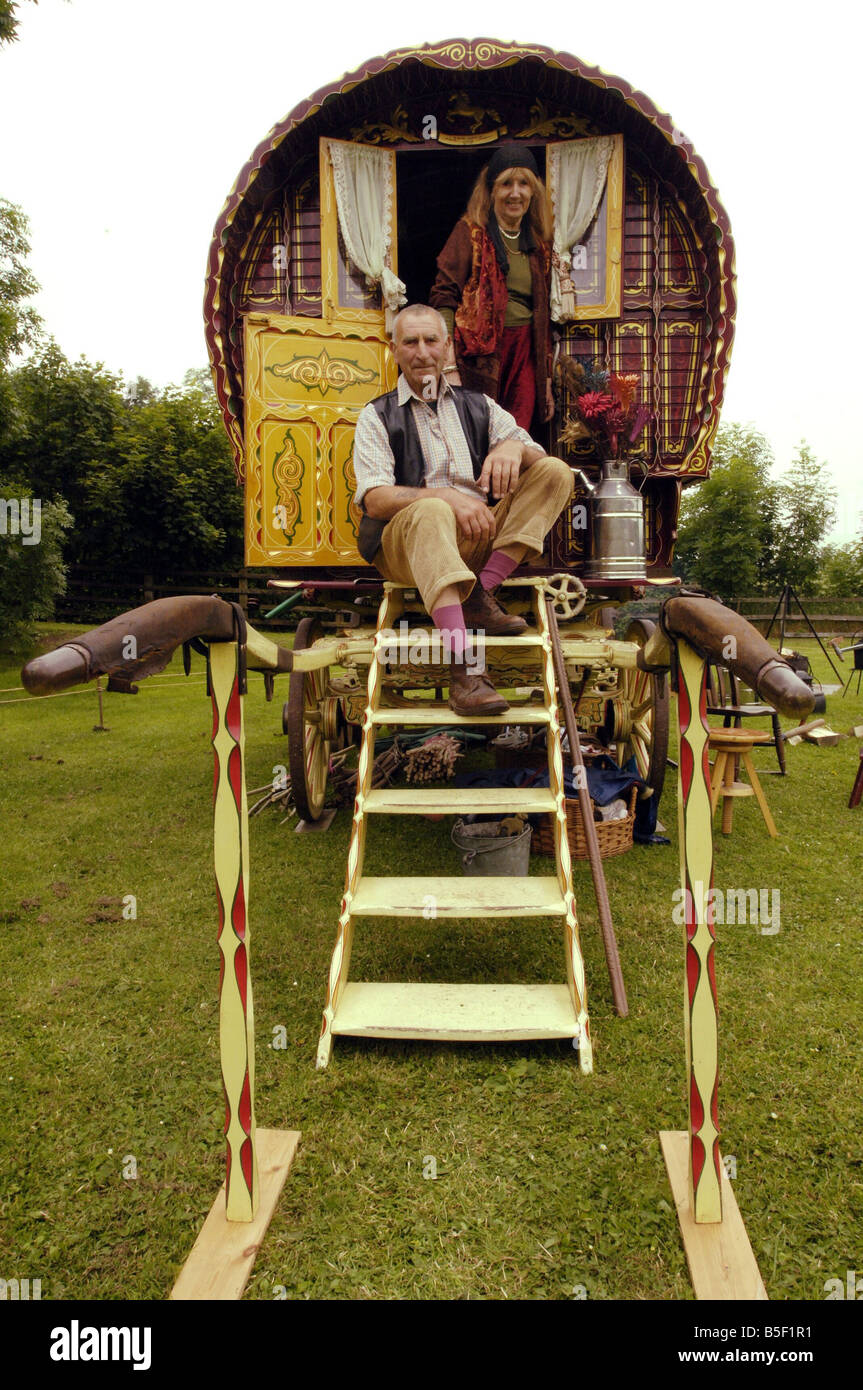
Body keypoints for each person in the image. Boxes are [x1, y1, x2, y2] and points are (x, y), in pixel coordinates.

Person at [352, 304, 573, 716]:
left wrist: (511, 446)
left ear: (448, 347)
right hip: (407, 547)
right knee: (433, 509)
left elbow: (536, 456)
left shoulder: (481, 406)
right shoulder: (376, 415)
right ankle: (465, 671)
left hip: (475, 539)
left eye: (431, 340)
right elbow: (375, 499)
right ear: (394, 350)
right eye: (410, 342)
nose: (422, 352)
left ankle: (481, 592)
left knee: (555, 471)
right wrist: (447, 498)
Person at [429, 144, 554, 432]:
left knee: (515, 433)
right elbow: (444, 296)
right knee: (477, 430)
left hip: (524, 354)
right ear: (492, 190)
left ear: (533, 191)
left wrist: (545, 379)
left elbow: (543, 314)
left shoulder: (539, 245)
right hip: (479, 355)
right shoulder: (469, 233)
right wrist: (447, 361)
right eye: (506, 184)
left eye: (524, 184)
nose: (515, 193)